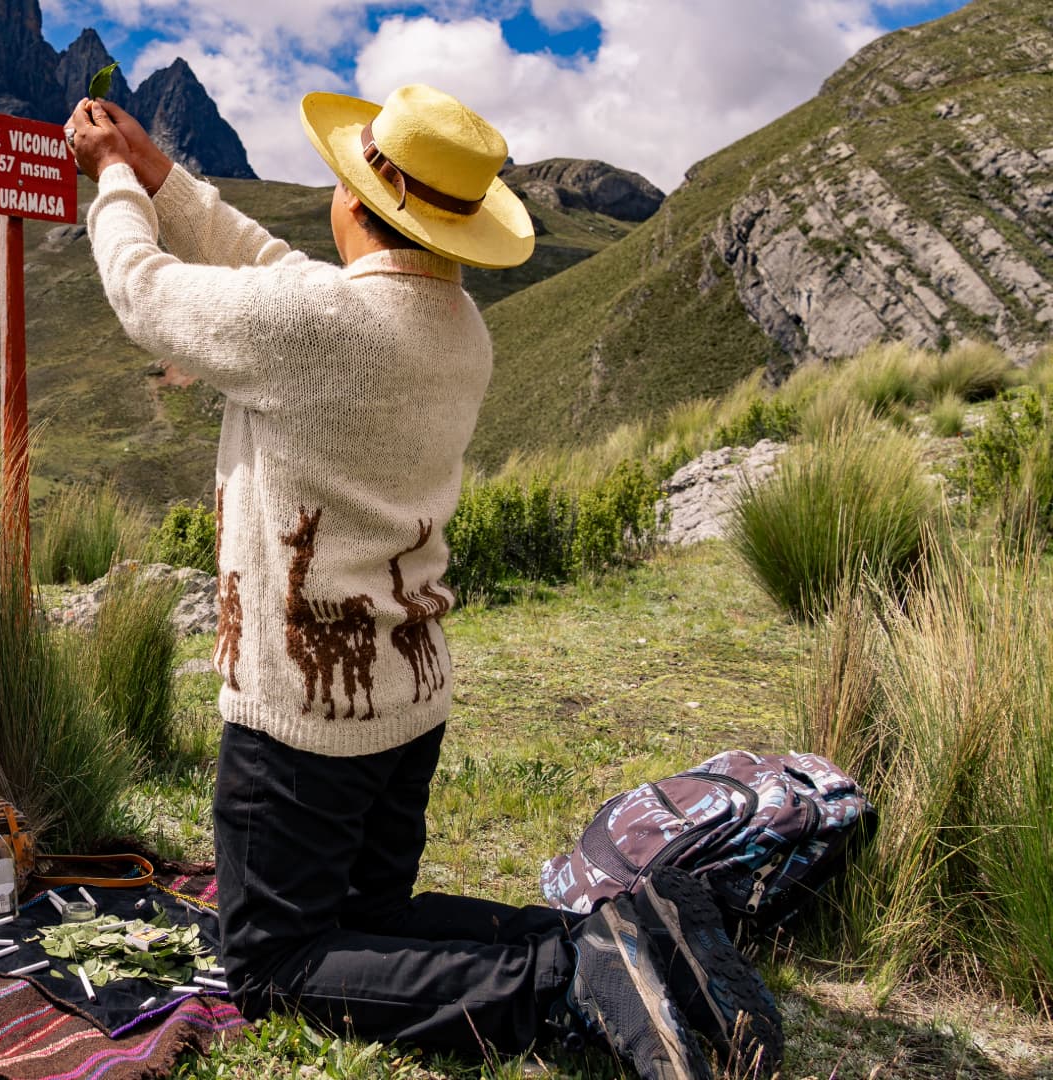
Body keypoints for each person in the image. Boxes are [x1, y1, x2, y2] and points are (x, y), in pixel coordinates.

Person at [64, 86, 784, 1078]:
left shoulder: (314, 328)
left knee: (276, 964)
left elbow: (145, 292)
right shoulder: (455, 331)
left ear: (363, 203)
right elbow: (280, 276)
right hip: (407, 698)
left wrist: (111, 182)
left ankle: (564, 983)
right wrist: (163, 178)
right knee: (371, 923)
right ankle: (634, 933)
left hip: (300, 720)